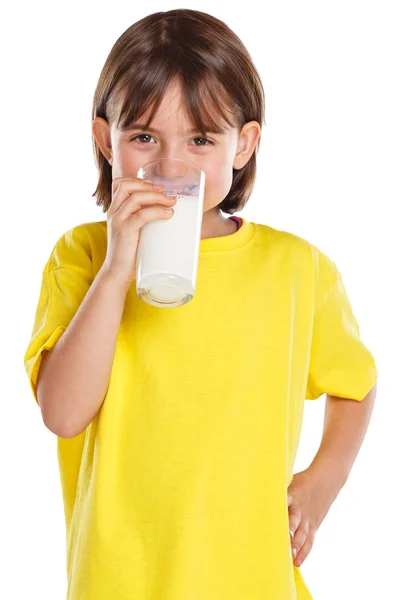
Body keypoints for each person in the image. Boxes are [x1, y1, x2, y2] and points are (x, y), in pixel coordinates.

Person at [23, 9, 378, 600]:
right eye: (143, 136)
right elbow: (61, 413)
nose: (170, 165)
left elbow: (356, 384)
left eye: (201, 138)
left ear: (244, 145)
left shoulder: (296, 268)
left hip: (252, 578)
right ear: (103, 140)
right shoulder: (83, 256)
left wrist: (323, 481)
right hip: (119, 580)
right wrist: (116, 270)